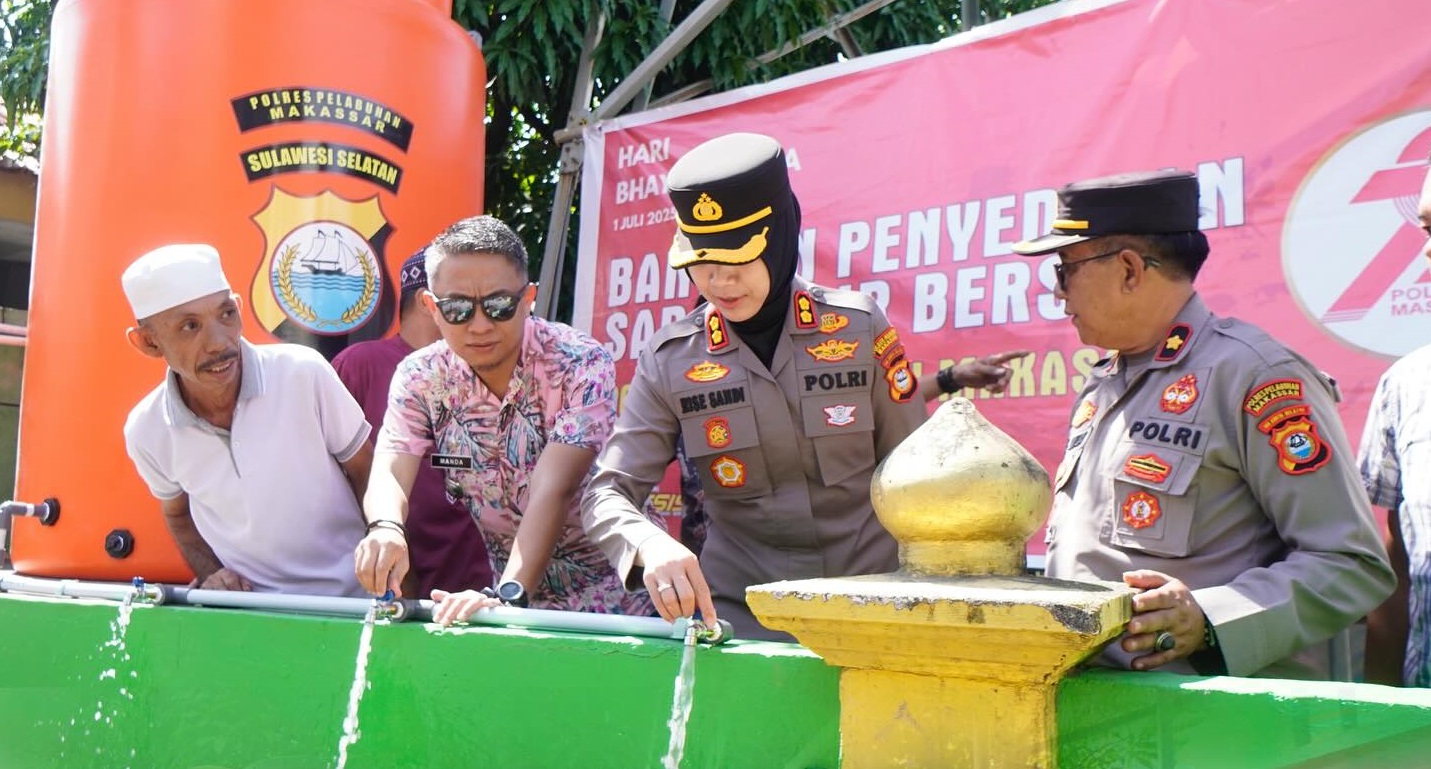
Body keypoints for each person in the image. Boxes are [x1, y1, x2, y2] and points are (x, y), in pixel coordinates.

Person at [1014, 170, 1394, 678]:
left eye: (1065, 270)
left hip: (1206, 723)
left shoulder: (1254, 376)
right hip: (1097, 710)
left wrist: (1210, 617)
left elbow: (1351, 564)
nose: (1059, 294)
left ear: (1128, 269)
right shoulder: (1106, 380)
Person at [581, 132, 929, 641]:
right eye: (699, 261)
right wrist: (647, 544)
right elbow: (607, 492)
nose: (718, 281)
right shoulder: (669, 359)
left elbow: (916, 470)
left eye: (737, 257)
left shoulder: (858, 327)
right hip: (744, 621)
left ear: (781, 237)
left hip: (874, 606)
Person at [355, 215, 651, 624]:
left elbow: (555, 488)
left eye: (498, 306)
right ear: (430, 307)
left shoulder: (578, 361)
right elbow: (391, 464)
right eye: (457, 308)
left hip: (617, 605)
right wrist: (385, 526)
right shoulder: (420, 376)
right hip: (506, 600)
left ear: (528, 298)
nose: (479, 325)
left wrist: (509, 596)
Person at [121, 243, 373, 597]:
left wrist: (392, 574)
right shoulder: (146, 429)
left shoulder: (303, 372)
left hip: (355, 602)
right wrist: (212, 573)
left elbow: (367, 472)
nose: (219, 343)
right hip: (249, 617)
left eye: (226, 314)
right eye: (190, 326)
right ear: (148, 343)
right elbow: (178, 516)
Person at [333, 247, 494, 599]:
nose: (480, 317)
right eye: (461, 300)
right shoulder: (361, 364)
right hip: (390, 579)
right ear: (428, 302)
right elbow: (330, 476)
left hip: (481, 587)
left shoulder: (488, 365)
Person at [1359, 147, 1431, 687]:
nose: (1427, 254)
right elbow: (1399, 561)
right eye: (1426, 228)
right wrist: (1379, 720)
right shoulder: (1406, 385)